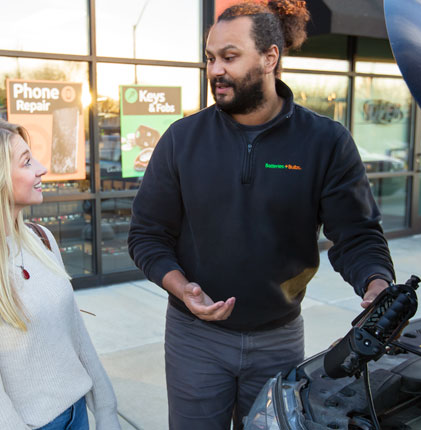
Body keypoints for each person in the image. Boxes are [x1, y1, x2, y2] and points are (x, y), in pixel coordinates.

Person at [127, 1, 396, 429]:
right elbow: (147, 234)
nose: (216, 70)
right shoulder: (182, 139)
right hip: (195, 339)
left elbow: (357, 234)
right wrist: (183, 289)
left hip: (279, 339)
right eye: (210, 58)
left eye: (229, 57)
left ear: (270, 57)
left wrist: (376, 284)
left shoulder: (325, 141)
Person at [0, 115, 121, 430]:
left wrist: (106, 407)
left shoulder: (40, 238)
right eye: (27, 161)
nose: (42, 168)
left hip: (77, 415)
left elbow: (75, 334)